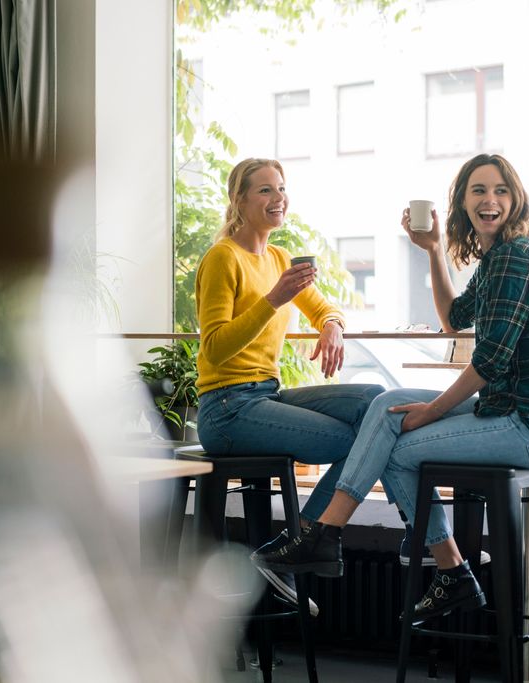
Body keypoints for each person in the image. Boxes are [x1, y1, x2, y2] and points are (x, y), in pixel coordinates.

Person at [252, 154, 529, 623]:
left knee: (400, 449)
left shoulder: (517, 256)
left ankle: (413, 560)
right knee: (387, 404)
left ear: (516, 199)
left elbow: (489, 361)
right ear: (463, 202)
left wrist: (431, 413)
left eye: (501, 190)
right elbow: (453, 319)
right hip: (509, 410)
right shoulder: (497, 258)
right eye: (479, 191)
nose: (490, 200)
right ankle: (331, 539)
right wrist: (433, 248)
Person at [194, 157, 384, 611]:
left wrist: (333, 325)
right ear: (238, 200)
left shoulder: (279, 257)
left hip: (265, 394)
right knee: (351, 441)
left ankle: (300, 541)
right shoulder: (223, 259)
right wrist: (273, 299)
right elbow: (216, 348)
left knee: (375, 404)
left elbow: (325, 307)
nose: (278, 198)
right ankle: (303, 539)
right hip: (226, 408)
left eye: (281, 188)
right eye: (264, 190)